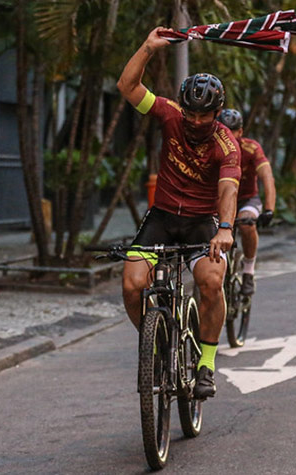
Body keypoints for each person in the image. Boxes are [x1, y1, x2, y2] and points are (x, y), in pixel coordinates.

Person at [116, 27, 241, 400]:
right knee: (131, 283)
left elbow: (228, 187)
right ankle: (155, 343)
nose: (197, 121)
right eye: (191, 114)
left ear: (217, 113)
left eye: (205, 115)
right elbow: (127, 87)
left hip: (203, 224)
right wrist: (148, 48)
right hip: (163, 218)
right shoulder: (170, 116)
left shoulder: (226, 144)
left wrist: (225, 228)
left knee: (212, 281)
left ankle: (206, 363)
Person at [217, 109, 276, 295]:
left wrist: (269, 209)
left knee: (247, 223)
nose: (227, 135)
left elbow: (267, 177)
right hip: (220, 201)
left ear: (240, 132)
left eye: (232, 131)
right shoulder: (211, 148)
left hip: (246, 199)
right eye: (222, 130)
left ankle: (248, 270)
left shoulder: (252, 149)